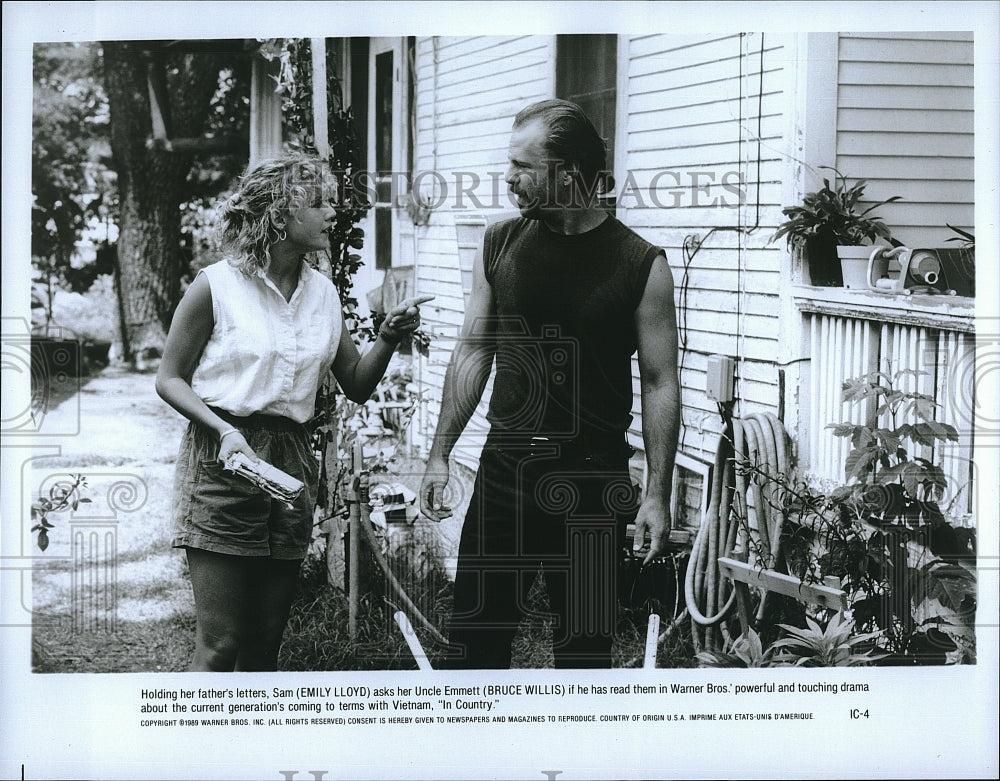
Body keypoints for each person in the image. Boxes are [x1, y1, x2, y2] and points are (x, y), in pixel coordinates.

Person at [419, 99, 680, 668]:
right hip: (504, 475)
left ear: (569, 173)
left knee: (583, 662)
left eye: (522, 166)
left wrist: (657, 495)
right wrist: (439, 455)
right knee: (473, 654)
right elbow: (473, 352)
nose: (508, 178)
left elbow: (661, 382)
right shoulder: (499, 244)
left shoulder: (641, 264)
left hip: (592, 486)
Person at [156, 153, 432, 672]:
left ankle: (252, 750)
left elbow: (356, 384)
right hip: (224, 458)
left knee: (264, 642)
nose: (334, 213)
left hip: (290, 466)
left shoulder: (323, 294)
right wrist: (222, 430)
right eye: (320, 203)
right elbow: (169, 378)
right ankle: (193, 750)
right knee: (220, 643)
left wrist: (390, 339)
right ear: (280, 216)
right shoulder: (215, 285)